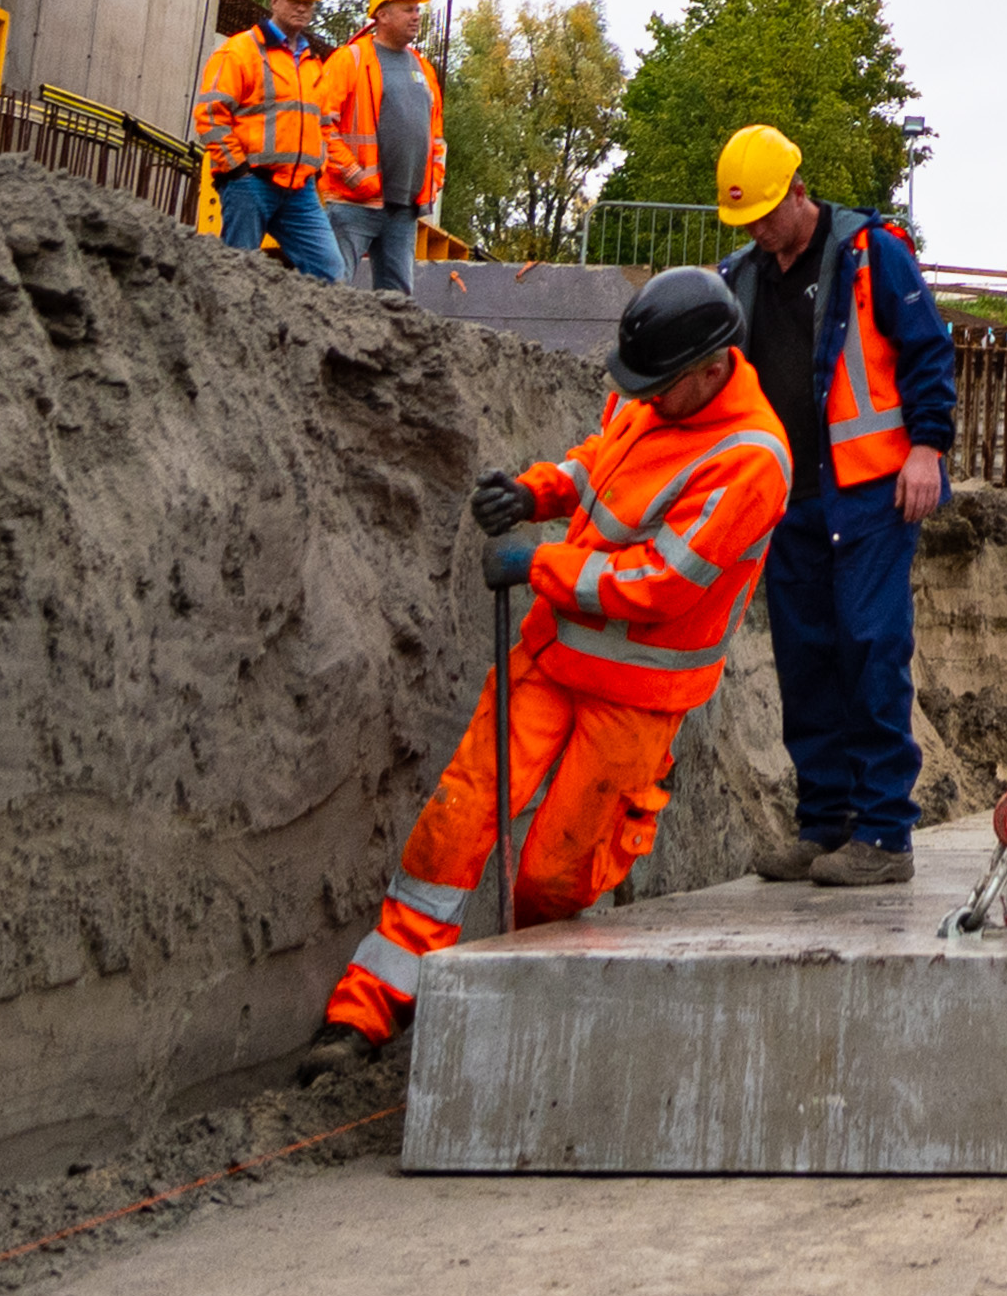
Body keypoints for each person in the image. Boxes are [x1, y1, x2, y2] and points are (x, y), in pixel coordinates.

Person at [318, 268, 790, 1060]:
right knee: (460, 815)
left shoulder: (751, 458)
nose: (642, 397)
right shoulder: (655, 395)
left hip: (636, 697)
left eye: (658, 386)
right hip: (552, 654)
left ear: (712, 370)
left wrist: (539, 566)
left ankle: (528, 1001)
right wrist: (533, 494)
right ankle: (369, 1006)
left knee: (552, 877)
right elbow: (597, 464)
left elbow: (659, 586)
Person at [709, 120, 962, 890]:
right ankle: (826, 822)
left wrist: (928, 447)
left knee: (869, 646)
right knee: (806, 657)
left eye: (764, 215)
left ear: (797, 191)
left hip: (874, 493)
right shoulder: (742, 274)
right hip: (790, 499)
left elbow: (927, 350)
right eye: (745, 221)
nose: (758, 232)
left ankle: (886, 833)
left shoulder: (870, 253)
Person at [192, 0, 358, 280]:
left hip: (299, 191)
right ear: (275, 0)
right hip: (250, 183)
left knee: (332, 273)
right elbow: (210, 115)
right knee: (236, 274)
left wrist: (316, 167)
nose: (302, 9)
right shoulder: (239, 51)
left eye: (308, 3)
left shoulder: (312, 63)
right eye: (294, 0)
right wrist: (237, 170)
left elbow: (321, 123)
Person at [346, 0, 445, 294]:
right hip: (354, 203)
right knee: (332, 293)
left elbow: (436, 136)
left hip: (403, 207)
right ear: (382, 15)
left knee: (398, 303)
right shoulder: (351, 60)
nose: (416, 16)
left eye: (417, 10)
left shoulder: (423, 68)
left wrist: (434, 181)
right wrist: (352, 175)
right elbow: (323, 124)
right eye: (408, 10)